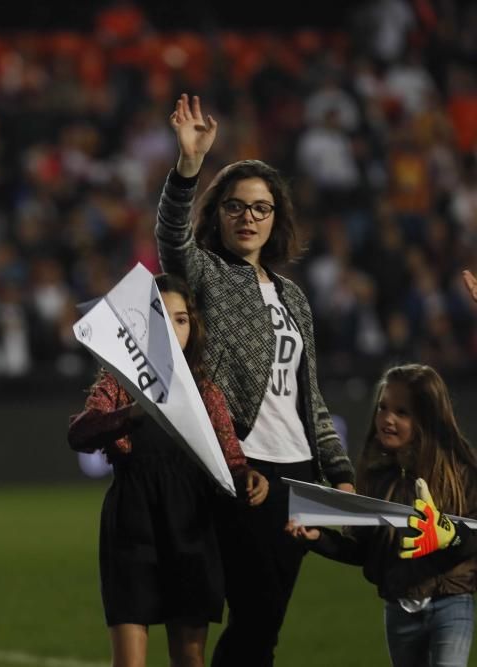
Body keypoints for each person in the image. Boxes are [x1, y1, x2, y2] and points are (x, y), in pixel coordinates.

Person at [155, 94, 356, 666]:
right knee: (256, 612)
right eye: (237, 207)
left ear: (277, 218)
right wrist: (189, 166)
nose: (249, 218)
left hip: (299, 470)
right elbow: (172, 236)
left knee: (265, 626)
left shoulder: (293, 296)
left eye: (261, 208)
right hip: (244, 464)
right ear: (218, 213)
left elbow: (309, 396)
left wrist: (338, 473)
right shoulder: (208, 275)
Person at [68, 272, 269, 667]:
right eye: (162, 318)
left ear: (193, 326)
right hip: (131, 527)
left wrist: (250, 478)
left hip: (190, 526)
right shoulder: (120, 382)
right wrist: (133, 413)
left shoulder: (204, 390)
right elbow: (80, 433)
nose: (174, 329)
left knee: (190, 659)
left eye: (182, 319)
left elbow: (231, 459)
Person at [286, 357, 477, 667]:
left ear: (427, 418)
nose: (388, 418)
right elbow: (363, 548)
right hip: (398, 610)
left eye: (402, 412)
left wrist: (449, 536)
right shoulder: (377, 475)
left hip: (450, 605)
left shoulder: (461, 473)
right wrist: (317, 537)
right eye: (382, 408)